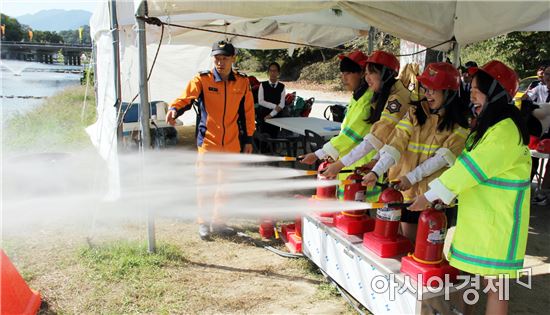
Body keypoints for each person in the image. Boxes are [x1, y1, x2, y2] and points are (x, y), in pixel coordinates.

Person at [409, 60, 531, 315]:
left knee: (496, 289)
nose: (471, 95)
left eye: (478, 89)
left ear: (496, 93)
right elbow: (463, 168)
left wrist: (430, 195)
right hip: (482, 221)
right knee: (473, 281)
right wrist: (444, 195)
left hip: (498, 226)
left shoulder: (506, 131)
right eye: (471, 88)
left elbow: (470, 170)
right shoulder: (489, 128)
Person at [362, 62, 469, 241]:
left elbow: (440, 159)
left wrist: (410, 178)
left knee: (424, 251)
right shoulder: (414, 112)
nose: (427, 94)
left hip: (434, 200)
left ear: (449, 92)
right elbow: (396, 142)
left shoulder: (461, 125)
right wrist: (376, 170)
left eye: (433, 89)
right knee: (400, 246)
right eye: (426, 88)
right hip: (405, 194)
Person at [166, 40, 256, 240]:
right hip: (208, 142)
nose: (220, 62)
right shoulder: (202, 80)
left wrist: (248, 138)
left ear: (233, 59)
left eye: (224, 58)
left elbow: (248, 113)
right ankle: (204, 223)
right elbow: (186, 99)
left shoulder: (242, 82)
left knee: (226, 185)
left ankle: (219, 221)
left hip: (232, 142)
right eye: (217, 58)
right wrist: (174, 109)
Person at [321, 50, 411, 185]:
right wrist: (375, 160)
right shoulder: (385, 95)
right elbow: (390, 138)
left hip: (406, 170)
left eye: (371, 73)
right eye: (366, 73)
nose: (367, 78)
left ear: (385, 74)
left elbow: (377, 137)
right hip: (394, 166)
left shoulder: (397, 99)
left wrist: (340, 164)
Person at [299, 50, 376, 198]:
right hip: (350, 166)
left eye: (347, 73)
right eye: (342, 73)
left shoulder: (367, 101)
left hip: (360, 167)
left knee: (355, 216)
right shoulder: (357, 97)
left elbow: (349, 137)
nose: (343, 78)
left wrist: (318, 154)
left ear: (361, 73)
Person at [256, 62, 287, 138]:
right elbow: (261, 101)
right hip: (264, 116)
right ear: (268, 72)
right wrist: (274, 106)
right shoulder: (262, 85)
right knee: (264, 138)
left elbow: (282, 104)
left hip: (276, 117)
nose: (273, 73)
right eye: (271, 70)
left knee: (274, 137)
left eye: (275, 70)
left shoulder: (282, 86)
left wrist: (271, 114)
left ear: (278, 72)